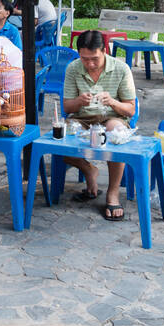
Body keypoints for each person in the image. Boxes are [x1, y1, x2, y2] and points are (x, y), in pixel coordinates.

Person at [60, 30, 138, 221]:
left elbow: (130, 110)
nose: (90, 64)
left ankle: (113, 193)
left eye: (94, 58)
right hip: (82, 119)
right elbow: (67, 106)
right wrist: (79, 101)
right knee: (58, 140)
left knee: (115, 133)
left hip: (112, 117)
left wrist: (112, 101)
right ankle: (88, 169)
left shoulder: (121, 69)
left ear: (104, 50)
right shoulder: (73, 68)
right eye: (85, 59)